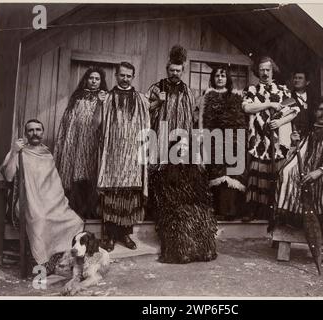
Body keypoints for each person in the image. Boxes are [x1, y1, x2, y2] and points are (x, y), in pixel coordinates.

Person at [147, 45, 217, 264]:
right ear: (167, 69)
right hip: (160, 136)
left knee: (177, 182)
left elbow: (193, 117)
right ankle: (157, 216)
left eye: (178, 71)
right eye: (172, 70)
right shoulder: (157, 87)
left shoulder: (188, 91)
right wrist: (159, 102)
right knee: (159, 175)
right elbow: (145, 109)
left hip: (182, 141)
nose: (175, 74)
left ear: (182, 70)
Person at [0, 119, 84, 274]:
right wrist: (14, 151)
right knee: (40, 220)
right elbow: (8, 177)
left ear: (42, 132)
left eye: (38, 130)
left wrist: (59, 202)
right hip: (28, 201)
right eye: (31, 130)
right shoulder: (19, 152)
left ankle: (59, 259)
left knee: (75, 221)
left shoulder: (47, 153)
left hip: (51, 201)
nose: (35, 133)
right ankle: (43, 261)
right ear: (26, 134)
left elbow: (53, 182)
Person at [273, 97, 323, 241]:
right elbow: (293, 159)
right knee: (286, 172)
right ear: (315, 112)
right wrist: (293, 143)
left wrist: (320, 171)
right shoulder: (306, 136)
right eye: (320, 110)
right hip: (305, 178)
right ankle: (290, 220)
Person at [93, 62, 150, 251]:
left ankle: (125, 235)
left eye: (129, 76)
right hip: (113, 155)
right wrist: (99, 104)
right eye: (122, 75)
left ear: (133, 77)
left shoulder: (141, 99)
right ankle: (109, 236)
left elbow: (150, 119)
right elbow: (96, 123)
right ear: (116, 75)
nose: (125, 79)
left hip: (133, 155)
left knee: (129, 195)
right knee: (111, 193)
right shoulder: (107, 97)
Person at [242, 56, 299, 221]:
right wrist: (269, 104)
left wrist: (280, 121)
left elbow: (294, 110)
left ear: (273, 71)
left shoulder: (282, 90)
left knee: (276, 173)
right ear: (257, 71)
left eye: (268, 70)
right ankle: (253, 210)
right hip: (259, 138)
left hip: (277, 137)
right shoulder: (252, 90)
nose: (265, 73)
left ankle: (275, 213)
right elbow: (246, 107)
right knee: (256, 170)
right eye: (262, 70)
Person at [54, 67, 108, 219]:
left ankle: (91, 211)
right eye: (91, 78)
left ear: (101, 82)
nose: (94, 81)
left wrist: (101, 103)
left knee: (91, 174)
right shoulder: (77, 98)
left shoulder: (104, 98)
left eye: (97, 79)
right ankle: (75, 212)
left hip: (94, 144)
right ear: (86, 79)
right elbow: (68, 122)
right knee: (76, 176)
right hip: (76, 144)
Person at [198, 66, 246, 221]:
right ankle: (217, 210)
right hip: (213, 138)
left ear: (228, 78)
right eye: (217, 75)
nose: (220, 78)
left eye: (223, 76)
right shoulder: (208, 95)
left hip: (232, 140)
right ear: (213, 78)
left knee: (232, 173)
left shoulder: (236, 95)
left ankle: (231, 211)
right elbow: (201, 118)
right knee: (216, 172)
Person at [290, 70, 315, 136]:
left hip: (309, 136)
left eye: (300, 78)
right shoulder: (288, 97)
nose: (297, 80)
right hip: (292, 136)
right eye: (295, 78)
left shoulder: (313, 98)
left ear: (307, 82)